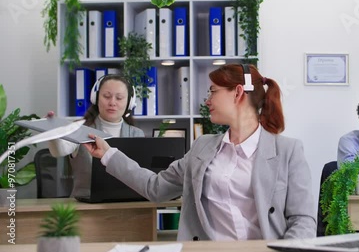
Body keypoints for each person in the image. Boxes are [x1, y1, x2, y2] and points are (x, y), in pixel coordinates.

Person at [83, 64, 316, 241]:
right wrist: (108, 154)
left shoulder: (287, 151)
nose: (207, 101)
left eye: (213, 92)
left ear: (237, 93)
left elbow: (302, 221)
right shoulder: (202, 147)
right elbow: (156, 188)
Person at [48, 74, 145, 197]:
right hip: (86, 207)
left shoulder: (137, 134)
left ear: (129, 103)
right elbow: (59, 150)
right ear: (96, 98)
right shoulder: (79, 129)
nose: (112, 103)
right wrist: (52, 134)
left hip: (127, 205)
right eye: (106, 96)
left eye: (119, 98)